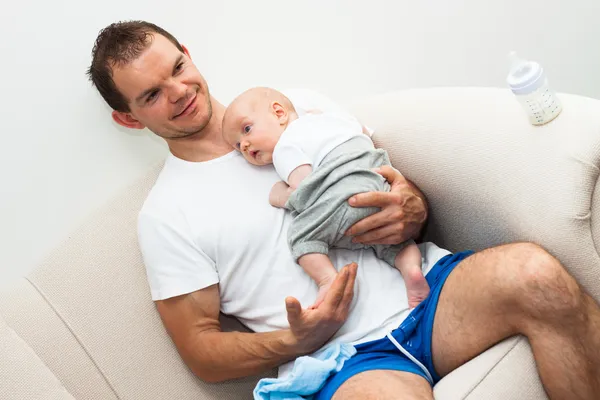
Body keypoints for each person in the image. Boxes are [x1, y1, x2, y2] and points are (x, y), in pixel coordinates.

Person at [87, 20, 600, 399]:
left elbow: (387, 178)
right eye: (152, 94)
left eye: (178, 68)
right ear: (128, 119)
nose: (180, 92)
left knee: (537, 274)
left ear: (188, 53)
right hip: (346, 360)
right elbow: (200, 351)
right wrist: (294, 339)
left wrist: (412, 207)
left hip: (429, 292)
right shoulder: (165, 216)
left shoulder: (293, 105)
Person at [221, 87, 429, 309]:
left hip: (343, 197)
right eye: (237, 145)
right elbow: (364, 133)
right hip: (379, 186)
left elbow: (306, 189)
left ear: (279, 113)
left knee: (301, 237)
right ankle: (412, 270)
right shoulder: (330, 118)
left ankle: (328, 280)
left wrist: (280, 196)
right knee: (389, 240)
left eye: (247, 129)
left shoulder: (285, 146)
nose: (244, 144)